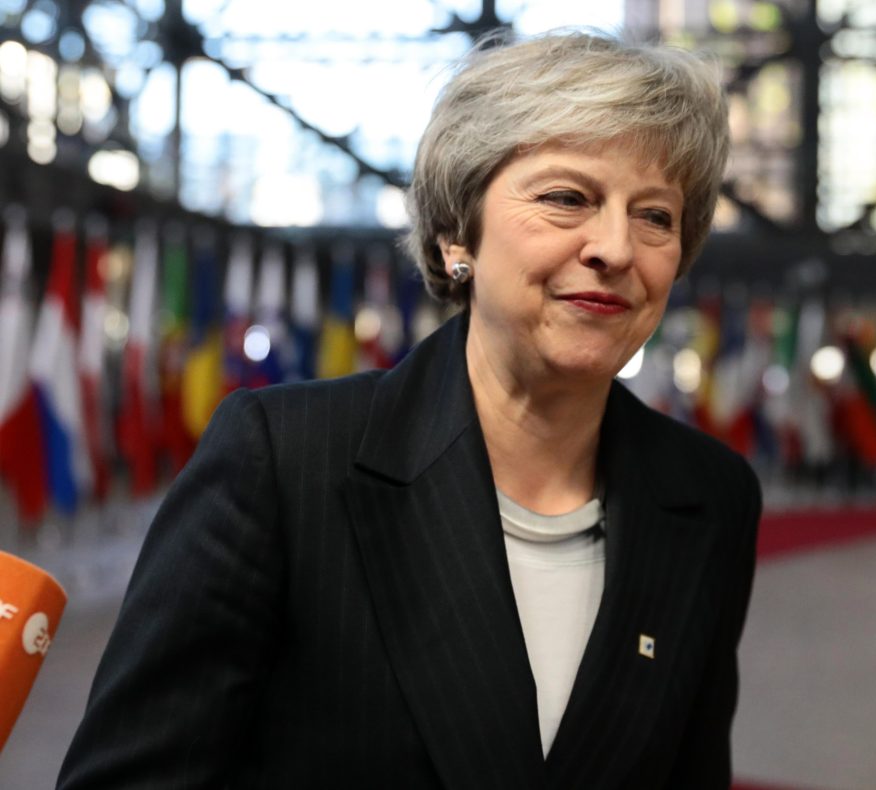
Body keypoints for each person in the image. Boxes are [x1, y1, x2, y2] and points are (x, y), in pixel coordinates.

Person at [58, 30, 761, 789]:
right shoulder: (284, 460)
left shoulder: (709, 498)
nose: (616, 248)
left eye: (654, 216)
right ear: (456, 232)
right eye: (567, 198)